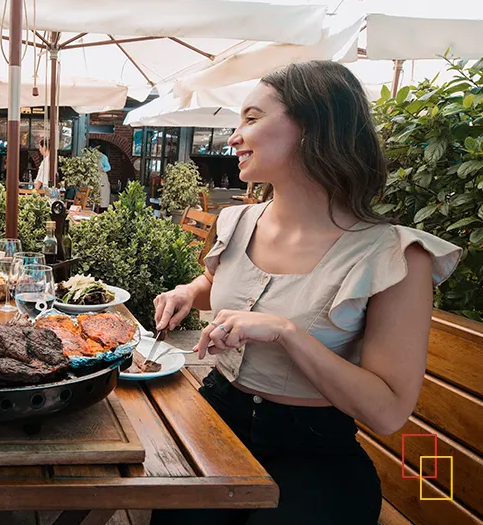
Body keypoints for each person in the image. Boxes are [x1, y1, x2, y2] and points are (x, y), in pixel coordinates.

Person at [151, 61, 460, 525]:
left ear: (315, 127)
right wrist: (186, 291)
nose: (234, 136)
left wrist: (287, 333)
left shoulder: (395, 255)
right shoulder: (239, 221)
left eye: (252, 119)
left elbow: (388, 411)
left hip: (313, 453)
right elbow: (221, 287)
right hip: (216, 421)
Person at [89, 140, 111, 211]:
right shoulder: (90, 157)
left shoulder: (103, 157)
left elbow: (108, 167)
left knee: (102, 195)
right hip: (93, 177)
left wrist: (102, 169)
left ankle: (101, 210)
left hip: (102, 178)